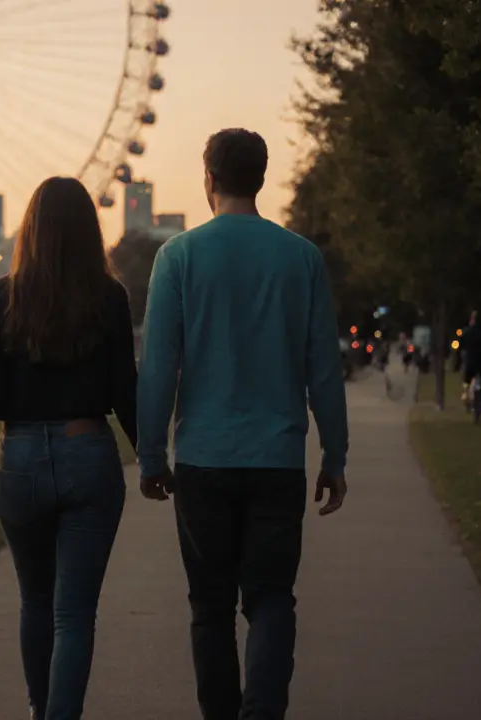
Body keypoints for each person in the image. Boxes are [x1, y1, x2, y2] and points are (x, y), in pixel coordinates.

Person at [136, 128, 350, 720]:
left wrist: (151, 454)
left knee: (209, 607)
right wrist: (334, 455)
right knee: (272, 597)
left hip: (203, 459)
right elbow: (323, 370)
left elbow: (158, 367)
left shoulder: (177, 257)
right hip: (277, 458)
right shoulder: (301, 258)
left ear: (208, 179)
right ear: (261, 179)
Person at [0, 176, 138, 720]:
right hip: (88, 454)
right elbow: (125, 389)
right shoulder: (109, 298)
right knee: (74, 613)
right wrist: (151, 456)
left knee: (35, 601)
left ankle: (40, 710)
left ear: (28, 230)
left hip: (22, 460)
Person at [460, 311, 481, 404]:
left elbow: (461, 345)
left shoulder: (467, 331)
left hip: (470, 360)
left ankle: (465, 393)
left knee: (466, 377)